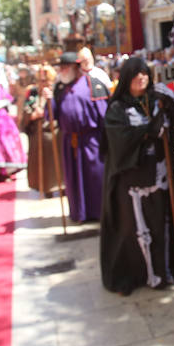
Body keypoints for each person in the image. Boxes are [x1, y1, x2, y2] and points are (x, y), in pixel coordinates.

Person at [100, 57, 174, 295]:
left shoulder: (159, 101)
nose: (141, 77)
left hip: (161, 174)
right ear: (126, 78)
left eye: (144, 73)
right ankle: (135, 274)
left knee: (162, 225)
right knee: (132, 230)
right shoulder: (118, 109)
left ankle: (166, 271)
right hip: (131, 181)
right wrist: (147, 131)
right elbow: (119, 144)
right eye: (135, 74)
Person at [53, 51, 109, 222]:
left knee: (94, 177)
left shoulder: (94, 85)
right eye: (60, 67)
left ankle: (98, 213)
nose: (62, 71)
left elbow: (105, 116)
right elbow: (52, 115)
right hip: (69, 141)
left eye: (65, 67)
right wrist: (48, 100)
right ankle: (79, 212)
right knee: (73, 180)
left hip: (91, 141)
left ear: (76, 68)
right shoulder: (60, 89)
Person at [19, 64, 63, 198]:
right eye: (40, 81)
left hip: (55, 134)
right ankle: (45, 188)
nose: (42, 83)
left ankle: (63, 187)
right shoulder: (32, 92)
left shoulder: (58, 91)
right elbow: (25, 111)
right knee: (43, 168)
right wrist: (33, 115)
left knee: (59, 164)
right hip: (38, 135)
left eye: (45, 80)